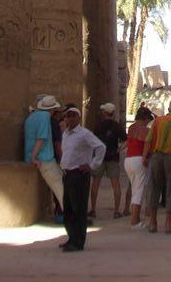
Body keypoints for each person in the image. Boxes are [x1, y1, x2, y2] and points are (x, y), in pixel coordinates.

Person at [59, 106, 106, 252]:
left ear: (79, 118)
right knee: (68, 208)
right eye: (68, 116)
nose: (70, 118)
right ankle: (71, 237)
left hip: (79, 174)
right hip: (67, 174)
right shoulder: (66, 134)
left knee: (78, 209)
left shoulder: (84, 134)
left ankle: (78, 242)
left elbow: (100, 147)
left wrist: (92, 165)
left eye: (73, 115)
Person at [143, 98, 171, 234]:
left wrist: (145, 156)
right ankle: (168, 224)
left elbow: (149, 139)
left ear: (168, 109)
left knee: (154, 188)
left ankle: (152, 223)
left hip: (156, 157)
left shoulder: (158, 121)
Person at [24, 95, 64, 218]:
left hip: (37, 157)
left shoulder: (31, 117)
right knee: (61, 189)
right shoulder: (45, 117)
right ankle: (73, 217)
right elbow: (41, 138)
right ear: (52, 109)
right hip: (44, 159)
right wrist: (34, 157)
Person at [90, 101, 127, 218]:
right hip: (113, 157)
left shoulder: (98, 125)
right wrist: (119, 149)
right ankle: (116, 211)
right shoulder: (117, 126)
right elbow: (126, 140)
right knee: (115, 183)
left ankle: (93, 210)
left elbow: (92, 140)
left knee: (95, 183)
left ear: (105, 113)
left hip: (100, 156)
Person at [124, 105, 153, 227]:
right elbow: (147, 144)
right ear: (146, 118)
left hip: (128, 160)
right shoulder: (146, 130)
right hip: (139, 159)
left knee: (135, 189)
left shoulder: (131, 128)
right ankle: (135, 221)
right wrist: (146, 157)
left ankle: (135, 218)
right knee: (139, 191)